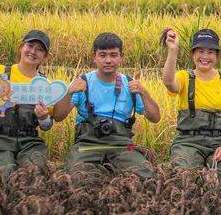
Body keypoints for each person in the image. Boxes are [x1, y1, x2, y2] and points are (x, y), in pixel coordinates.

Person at [53, 32, 161, 178]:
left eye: (113, 55)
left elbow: (155, 118)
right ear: (94, 57)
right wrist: (69, 92)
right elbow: (58, 116)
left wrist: (144, 93)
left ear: (121, 56)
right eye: (103, 55)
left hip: (122, 146)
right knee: (78, 176)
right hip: (87, 146)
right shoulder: (82, 82)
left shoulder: (130, 85)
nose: (108, 60)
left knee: (146, 174)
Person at [0, 30, 55, 174]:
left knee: (35, 171)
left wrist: (43, 117)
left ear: (45, 56)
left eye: (40, 49)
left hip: (30, 142)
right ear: (21, 47)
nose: (33, 51)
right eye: (30, 45)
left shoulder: (43, 84)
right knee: (5, 172)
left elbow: (47, 126)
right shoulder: (1, 73)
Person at [160, 27, 221, 170]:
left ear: (217, 56)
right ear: (192, 54)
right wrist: (173, 50)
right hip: (188, 142)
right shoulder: (184, 77)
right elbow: (168, 82)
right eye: (201, 51)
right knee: (184, 177)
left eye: (210, 52)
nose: (205, 56)